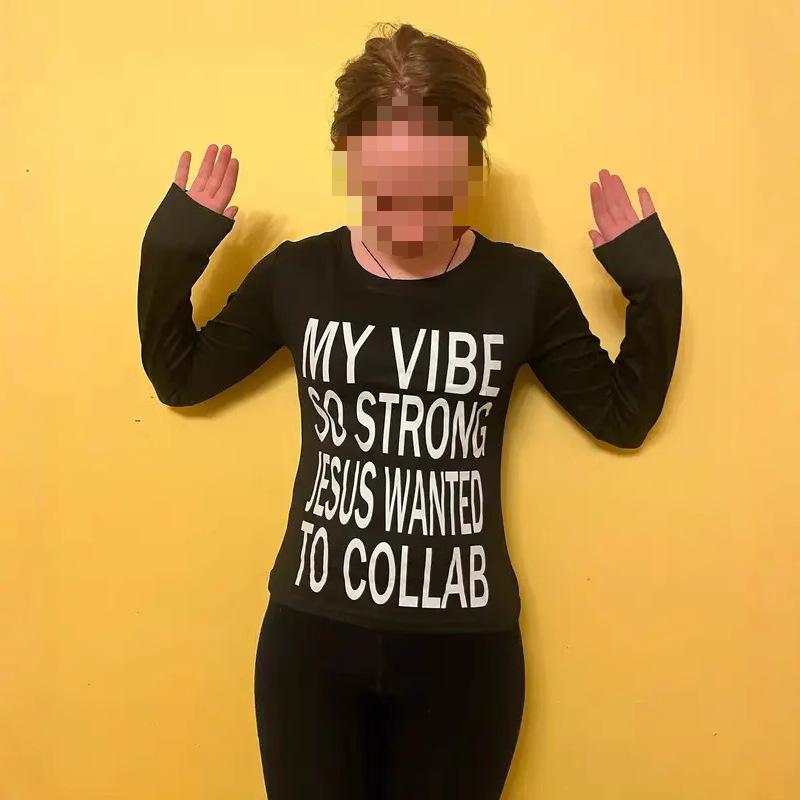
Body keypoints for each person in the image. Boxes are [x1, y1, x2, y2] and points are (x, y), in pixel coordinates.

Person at [137, 21, 682, 800]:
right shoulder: (298, 277)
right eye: (386, 190)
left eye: (436, 188)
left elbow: (622, 415)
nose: (410, 219)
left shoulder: (521, 287)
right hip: (310, 648)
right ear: (348, 163)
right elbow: (179, 374)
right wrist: (174, 247)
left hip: (465, 656)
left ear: (472, 165)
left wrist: (653, 282)